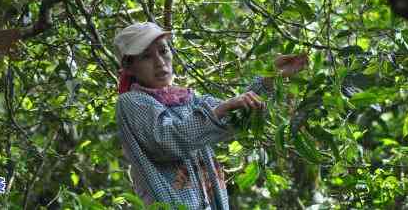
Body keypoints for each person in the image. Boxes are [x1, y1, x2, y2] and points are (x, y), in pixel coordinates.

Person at [114, 21, 308, 209]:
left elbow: (236, 115)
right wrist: (220, 110)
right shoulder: (132, 101)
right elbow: (167, 140)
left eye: (163, 51)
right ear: (129, 67)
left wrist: (269, 79)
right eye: (147, 57)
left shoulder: (187, 98)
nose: (159, 62)